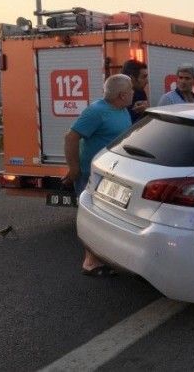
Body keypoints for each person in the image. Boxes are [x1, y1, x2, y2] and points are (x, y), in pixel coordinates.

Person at [63, 74, 133, 277]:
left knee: (107, 218)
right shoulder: (96, 112)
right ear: (121, 95)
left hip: (113, 173)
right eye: (130, 91)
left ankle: (105, 259)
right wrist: (74, 168)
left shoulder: (121, 110)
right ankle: (90, 263)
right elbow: (71, 137)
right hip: (92, 174)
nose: (132, 93)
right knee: (93, 217)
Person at [121, 59, 149, 124]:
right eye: (143, 77)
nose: (147, 81)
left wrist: (146, 112)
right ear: (131, 78)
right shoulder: (117, 99)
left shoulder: (141, 93)